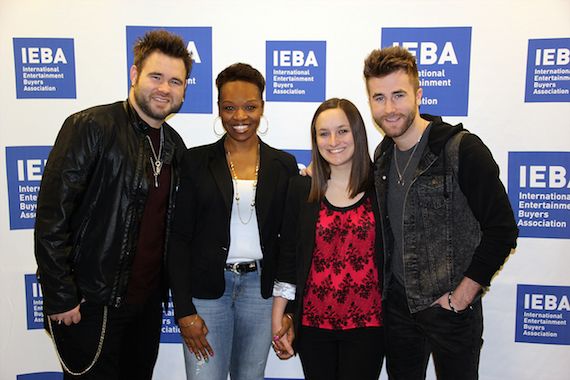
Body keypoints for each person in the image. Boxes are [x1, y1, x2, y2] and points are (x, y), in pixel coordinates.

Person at [34, 29, 191, 379]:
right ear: (134, 75)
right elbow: (51, 218)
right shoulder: (90, 126)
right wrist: (60, 295)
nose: (165, 88)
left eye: (176, 81)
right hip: (91, 305)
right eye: (156, 76)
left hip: (147, 307)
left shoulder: (175, 146)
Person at [364, 46, 519, 379]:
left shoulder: (461, 149)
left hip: (450, 310)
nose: (389, 109)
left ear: (418, 94)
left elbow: (502, 229)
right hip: (398, 309)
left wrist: (461, 298)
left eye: (398, 95)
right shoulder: (383, 157)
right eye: (379, 98)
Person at [168, 63, 298, 380]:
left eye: (250, 107)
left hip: (260, 293)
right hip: (207, 292)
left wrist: (291, 309)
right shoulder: (195, 161)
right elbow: (179, 239)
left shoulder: (284, 165)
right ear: (219, 109)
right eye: (229, 107)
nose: (240, 117)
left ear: (262, 107)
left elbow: (292, 245)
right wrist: (184, 310)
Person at [272, 98, 385, 380]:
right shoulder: (302, 188)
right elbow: (289, 257)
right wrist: (279, 316)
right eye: (324, 133)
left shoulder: (380, 186)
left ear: (358, 133)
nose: (333, 141)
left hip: (368, 325)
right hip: (313, 325)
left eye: (342, 131)